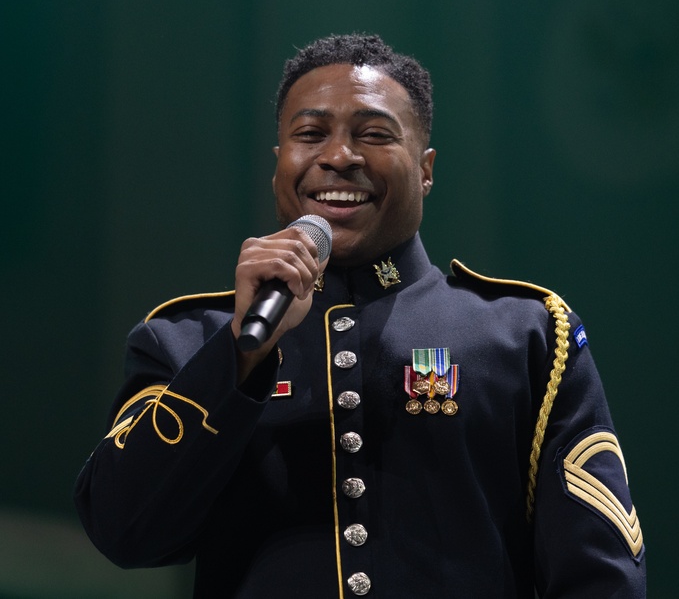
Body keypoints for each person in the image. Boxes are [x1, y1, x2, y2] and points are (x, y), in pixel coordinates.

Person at [74, 33, 646, 597]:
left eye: (373, 135)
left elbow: (599, 576)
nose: (338, 157)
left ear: (425, 169)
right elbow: (124, 532)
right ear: (279, 163)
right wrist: (241, 358)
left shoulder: (524, 334)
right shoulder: (185, 342)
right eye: (310, 134)